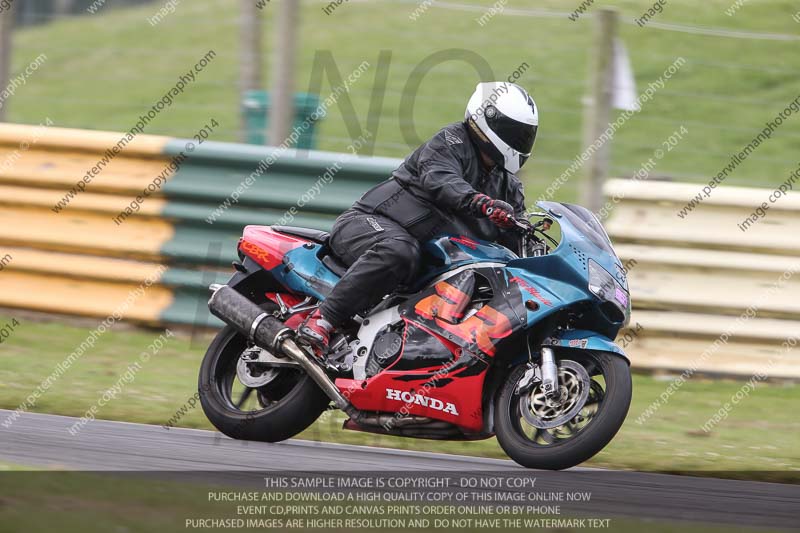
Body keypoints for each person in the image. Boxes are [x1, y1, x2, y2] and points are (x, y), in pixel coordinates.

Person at [299, 81, 539, 352]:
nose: (520, 141)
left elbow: (518, 234)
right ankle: (323, 319)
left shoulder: (509, 186)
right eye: (515, 132)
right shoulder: (451, 141)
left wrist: (533, 245)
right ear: (488, 121)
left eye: (526, 134)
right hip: (367, 224)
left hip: (424, 266)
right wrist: (480, 202)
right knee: (399, 250)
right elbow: (440, 179)